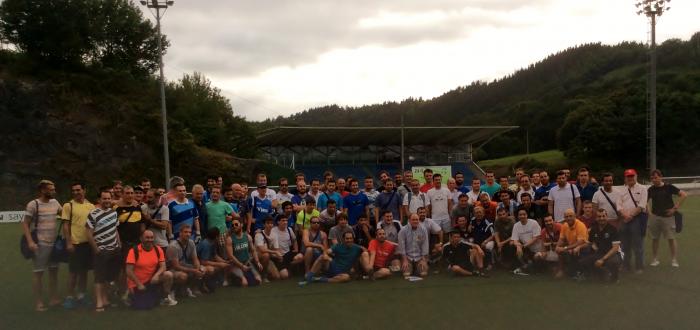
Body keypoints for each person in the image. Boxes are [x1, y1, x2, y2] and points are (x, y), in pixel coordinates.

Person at [22, 180, 63, 311]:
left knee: (53, 272)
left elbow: (65, 214)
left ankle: (53, 299)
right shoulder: (33, 204)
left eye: (54, 189)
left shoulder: (55, 202)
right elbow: (25, 224)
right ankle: (39, 302)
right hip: (40, 243)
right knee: (38, 273)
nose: (53, 191)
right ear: (42, 190)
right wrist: (30, 242)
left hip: (54, 243)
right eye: (51, 189)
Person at [61, 182, 96, 309]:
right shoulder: (68, 205)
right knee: (73, 272)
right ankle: (69, 297)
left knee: (84, 272)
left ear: (84, 190)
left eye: (78, 190)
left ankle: (81, 295)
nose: (76, 192)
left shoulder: (90, 206)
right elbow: (65, 225)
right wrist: (68, 242)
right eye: (74, 190)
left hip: (88, 244)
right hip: (75, 245)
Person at [86, 188, 121, 312]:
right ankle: (99, 302)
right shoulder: (93, 214)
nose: (107, 200)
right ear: (99, 199)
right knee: (99, 277)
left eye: (108, 198)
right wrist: (96, 249)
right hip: (101, 250)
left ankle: (105, 299)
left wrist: (119, 244)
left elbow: (115, 229)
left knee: (108, 277)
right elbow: (89, 233)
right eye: (104, 198)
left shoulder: (113, 212)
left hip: (114, 249)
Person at [125, 230, 177, 307]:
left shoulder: (158, 249)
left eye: (151, 237)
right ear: (141, 239)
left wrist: (156, 275)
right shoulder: (134, 251)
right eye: (147, 238)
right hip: (137, 283)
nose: (150, 240)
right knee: (143, 306)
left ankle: (165, 298)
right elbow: (128, 271)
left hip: (151, 280)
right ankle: (129, 295)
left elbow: (163, 266)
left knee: (168, 274)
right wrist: (139, 284)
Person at [647, 169, 686, 268]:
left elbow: (684, 195)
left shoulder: (669, 187)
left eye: (656, 177)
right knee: (655, 239)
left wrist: (674, 208)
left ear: (661, 177)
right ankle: (655, 259)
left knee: (671, 239)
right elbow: (645, 201)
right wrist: (649, 213)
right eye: (652, 178)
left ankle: (674, 260)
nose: (654, 180)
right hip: (655, 217)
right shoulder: (650, 189)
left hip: (668, 217)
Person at [301, 231, 371, 285]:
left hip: (343, 273)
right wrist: (326, 255)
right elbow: (327, 251)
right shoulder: (337, 246)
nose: (349, 240)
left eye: (350, 238)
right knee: (322, 257)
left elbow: (366, 251)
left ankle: (320, 279)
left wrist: (365, 252)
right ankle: (309, 277)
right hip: (333, 267)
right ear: (343, 239)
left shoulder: (357, 248)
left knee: (346, 277)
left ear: (353, 239)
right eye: (347, 238)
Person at [577, 209, 622, 282]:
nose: (601, 218)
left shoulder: (613, 229)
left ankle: (614, 277)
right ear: (596, 218)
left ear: (607, 217)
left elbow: (615, 248)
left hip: (612, 254)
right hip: (600, 253)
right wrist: (579, 247)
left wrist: (602, 260)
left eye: (603, 216)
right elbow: (589, 243)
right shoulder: (594, 229)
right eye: (599, 216)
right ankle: (595, 275)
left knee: (613, 262)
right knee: (583, 262)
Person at [167, 225, 211, 298]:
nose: (188, 234)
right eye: (185, 232)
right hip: (172, 270)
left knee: (204, 269)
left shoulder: (191, 242)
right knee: (183, 276)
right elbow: (176, 266)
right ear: (180, 233)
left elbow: (195, 259)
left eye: (190, 232)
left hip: (185, 266)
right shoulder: (173, 246)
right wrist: (194, 270)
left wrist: (198, 268)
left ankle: (190, 288)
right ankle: (173, 290)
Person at [617, 169, 647, 274]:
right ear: (625, 178)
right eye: (628, 176)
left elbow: (642, 205)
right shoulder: (621, 190)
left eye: (632, 176)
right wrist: (625, 216)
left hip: (637, 219)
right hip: (624, 219)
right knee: (624, 245)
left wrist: (631, 215)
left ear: (636, 176)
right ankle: (626, 266)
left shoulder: (643, 189)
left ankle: (639, 267)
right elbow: (619, 206)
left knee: (638, 245)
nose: (630, 178)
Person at [227, 218, 263, 287]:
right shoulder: (230, 239)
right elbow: (230, 256)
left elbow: (253, 250)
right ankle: (232, 278)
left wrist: (257, 262)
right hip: (235, 265)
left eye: (236, 224)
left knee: (259, 280)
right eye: (232, 225)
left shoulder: (247, 237)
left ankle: (246, 276)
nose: (234, 226)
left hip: (247, 262)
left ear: (241, 225)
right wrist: (241, 266)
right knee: (244, 283)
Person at [554, 209, 589, 279]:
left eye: (570, 216)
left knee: (573, 251)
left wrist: (565, 248)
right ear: (564, 218)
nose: (568, 218)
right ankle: (561, 271)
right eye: (566, 217)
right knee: (560, 250)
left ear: (575, 216)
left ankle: (579, 272)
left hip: (583, 247)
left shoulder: (580, 225)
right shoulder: (565, 225)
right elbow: (561, 239)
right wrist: (557, 247)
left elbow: (580, 242)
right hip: (571, 247)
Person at [510, 209, 543, 275]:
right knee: (511, 245)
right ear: (518, 216)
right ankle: (524, 265)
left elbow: (536, 238)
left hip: (538, 249)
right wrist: (518, 246)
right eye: (520, 215)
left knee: (538, 259)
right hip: (527, 249)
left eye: (524, 214)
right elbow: (514, 240)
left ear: (527, 215)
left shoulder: (534, 223)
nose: (522, 216)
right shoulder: (516, 225)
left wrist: (523, 246)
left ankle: (529, 267)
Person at [143, 189, 171, 254]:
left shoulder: (164, 209)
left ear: (157, 198)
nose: (148, 199)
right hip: (146, 244)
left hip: (161, 244)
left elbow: (164, 226)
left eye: (150, 197)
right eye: (147, 197)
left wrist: (150, 220)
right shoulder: (143, 208)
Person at [205, 187, 234, 251]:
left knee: (224, 254)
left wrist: (231, 218)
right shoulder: (206, 205)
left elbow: (235, 216)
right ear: (210, 194)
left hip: (222, 234)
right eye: (213, 192)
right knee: (211, 254)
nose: (215, 194)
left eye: (217, 192)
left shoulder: (225, 204)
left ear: (220, 195)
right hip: (210, 235)